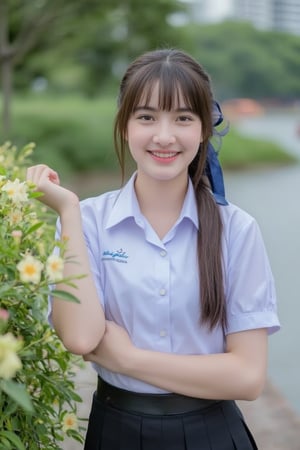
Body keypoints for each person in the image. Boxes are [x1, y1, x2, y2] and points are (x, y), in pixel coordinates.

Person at [27, 48, 280, 450]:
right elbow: (79, 337)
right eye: (147, 117)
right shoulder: (86, 221)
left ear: (204, 129)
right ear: (125, 126)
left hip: (213, 435)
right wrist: (68, 209)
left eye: (183, 118)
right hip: (115, 432)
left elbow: (248, 378)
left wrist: (128, 360)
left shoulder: (237, 229)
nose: (164, 136)